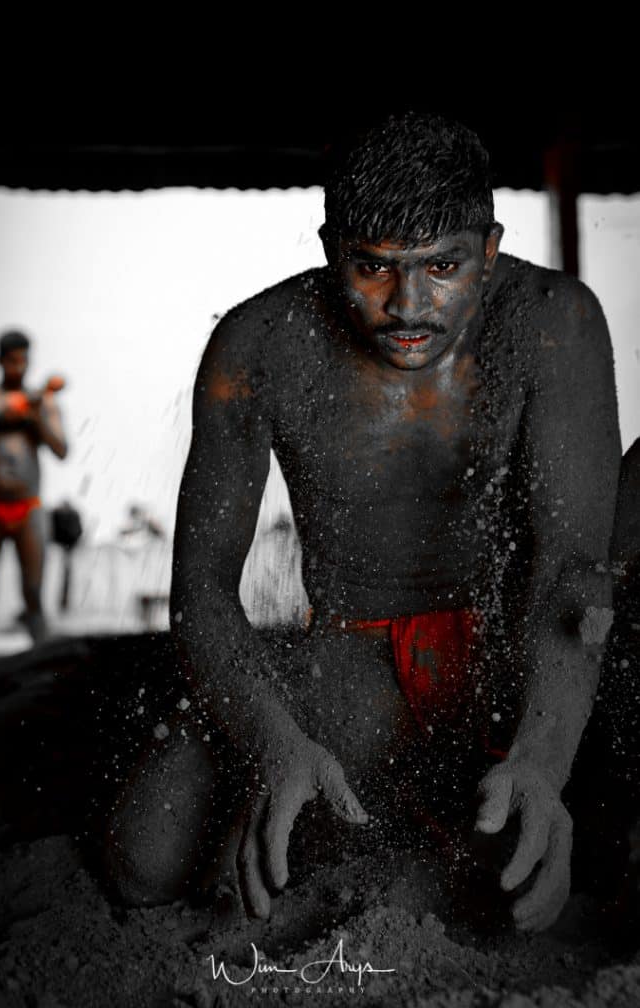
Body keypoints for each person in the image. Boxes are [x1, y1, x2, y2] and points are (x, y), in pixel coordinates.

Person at [104, 112, 621, 934]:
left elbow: (570, 571)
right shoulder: (258, 344)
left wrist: (540, 763)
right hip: (359, 657)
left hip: (518, 645)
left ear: (488, 249)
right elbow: (200, 591)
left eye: (441, 266)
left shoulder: (552, 319)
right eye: (373, 268)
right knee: (144, 858)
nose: (407, 304)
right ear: (327, 248)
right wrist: (276, 742)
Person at [0, 329, 68, 656]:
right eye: (12, 361)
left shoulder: (41, 406)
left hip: (28, 506)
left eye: (23, 360)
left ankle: (43, 657)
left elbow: (61, 448)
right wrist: (29, 407)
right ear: (0, 361)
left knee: (33, 592)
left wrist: (39, 417)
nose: (18, 368)